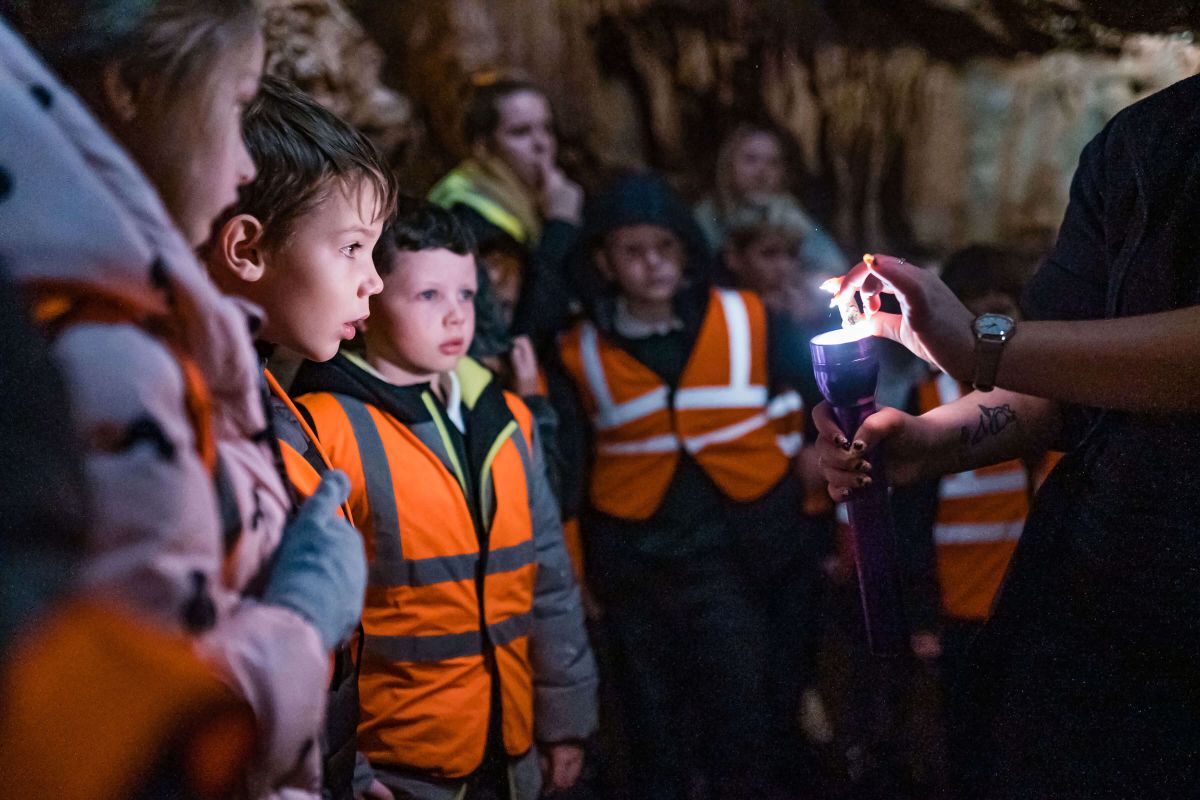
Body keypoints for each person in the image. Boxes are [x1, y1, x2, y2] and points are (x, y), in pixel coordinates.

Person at [1, 6, 365, 797]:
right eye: (235, 106)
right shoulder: (103, 357)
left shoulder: (164, 339)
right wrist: (303, 624)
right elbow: (138, 728)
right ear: (133, 86)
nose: (242, 168)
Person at [816, 74, 1200, 798]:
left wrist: (980, 344)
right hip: (1100, 610)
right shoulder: (1139, 143)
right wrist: (936, 437)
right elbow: (1063, 383)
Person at [288, 199, 598, 800]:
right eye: (428, 296)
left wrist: (565, 724)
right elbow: (308, 624)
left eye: (466, 295)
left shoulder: (507, 418)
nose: (457, 317)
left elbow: (550, 582)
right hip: (396, 767)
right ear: (371, 296)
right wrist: (341, 766)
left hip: (510, 753)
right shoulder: (323, 429)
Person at [556, 172, 827, 799]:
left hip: (733, 554)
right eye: (632, 250)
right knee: (650, 726)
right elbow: (572, 464)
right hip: (632, 561)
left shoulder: (747, 317)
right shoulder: (577, 348)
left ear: (686, 251)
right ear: (603, 260)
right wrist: (578, 572)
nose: (653, 264)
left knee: (743, 713)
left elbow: (814, 395)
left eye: (666, 248)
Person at [202, 74, 398, 800]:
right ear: (248, 247)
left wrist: (350, 769)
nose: (373, 281)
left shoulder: (261, 392)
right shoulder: (196, 420)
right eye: (352, 248)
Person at [694, 122, 844, 276]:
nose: (762, 172)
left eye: (773, 163)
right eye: (751, 160)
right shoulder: (709, 215)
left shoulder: (790, 214)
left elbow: (833, 266)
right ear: (729, 165)